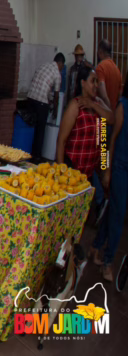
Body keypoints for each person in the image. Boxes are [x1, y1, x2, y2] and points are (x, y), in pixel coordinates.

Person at [57, 66, 113, 206]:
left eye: (97, 82)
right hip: (72, 171)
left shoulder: (98, 103)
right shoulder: (75, 105)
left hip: (89, 173)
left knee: (85, 209)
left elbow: (112, 119)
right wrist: (61, 172)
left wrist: (93, 105)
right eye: (93, 81)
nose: (96, 85)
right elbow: (61, 141)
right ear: (83, 83)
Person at [91, 79, 128, 281]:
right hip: (119, 168)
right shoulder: (123, 106)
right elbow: (109, 142)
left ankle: (96, 246)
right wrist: (106, 170)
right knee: (118, 216)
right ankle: (108, 261)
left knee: (114, 210)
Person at [26, 53, 65, 163]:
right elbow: (56, 96)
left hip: (30, 98)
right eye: (62, 66)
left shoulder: (43, 66)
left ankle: (27, 152)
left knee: (31, 127)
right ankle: (36, 157)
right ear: (60, 64)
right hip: (41, 103)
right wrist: (55, 111)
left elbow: (42, 86)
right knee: (40, 130)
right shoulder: (57, 74)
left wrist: (49, 99)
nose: (62, 68)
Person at [94, 39, 121, 109]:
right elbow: (119, 95)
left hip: (103, 111)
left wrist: (108, 110)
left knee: (99, 119)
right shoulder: (117, 69)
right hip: (114, 111)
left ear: (100, 51)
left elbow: (103, 95)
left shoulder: (100, 67)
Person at [65, 44, 90, 114]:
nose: (79, 57)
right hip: (74, 98)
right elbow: (69, 86)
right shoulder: (72, 69)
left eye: (80, 55)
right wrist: (68, 102)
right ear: (75, 56)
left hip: (84, 99)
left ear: (83, 56)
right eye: (77, 55)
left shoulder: (87, 68)